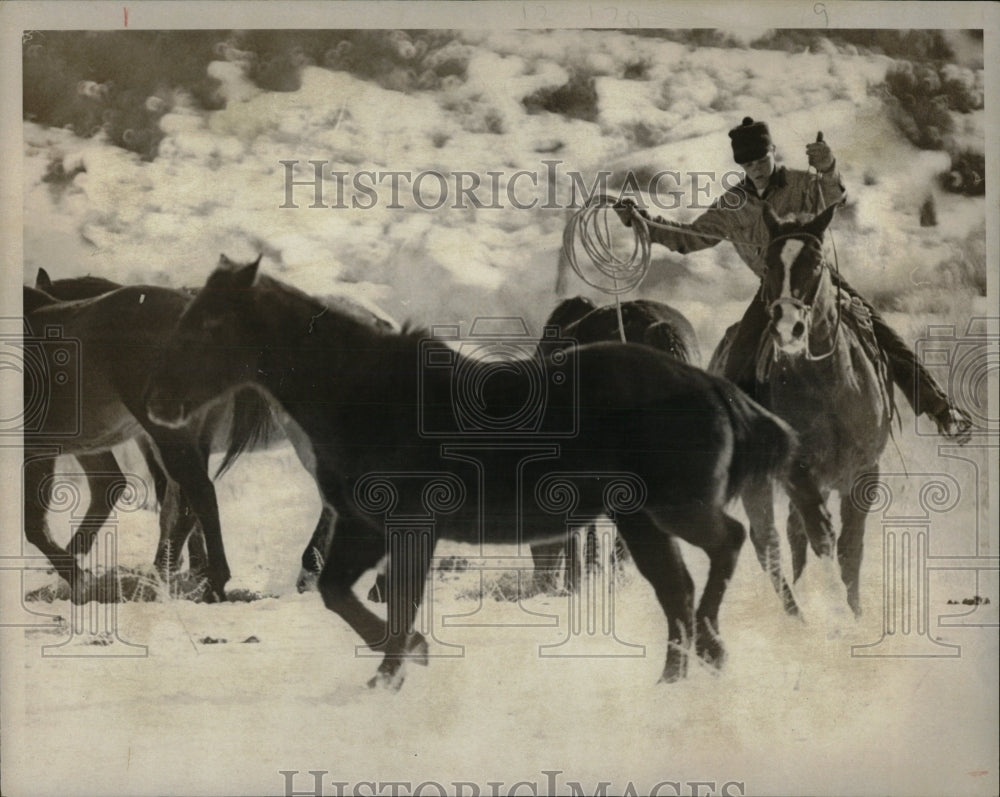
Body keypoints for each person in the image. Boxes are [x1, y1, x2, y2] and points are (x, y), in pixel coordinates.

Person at [615, 116, 972, 444]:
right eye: (747, 164)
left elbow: (836, 197)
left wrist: (829, 168)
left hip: (819, 284)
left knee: (882, 335)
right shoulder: (731, 205)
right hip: (772, 291)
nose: (755, 170)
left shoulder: (804, 184)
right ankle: (723, 439)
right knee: (739, 353)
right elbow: (689, 238)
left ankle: (943, 412)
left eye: (760, 160)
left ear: (772, 152)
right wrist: (640, 221)